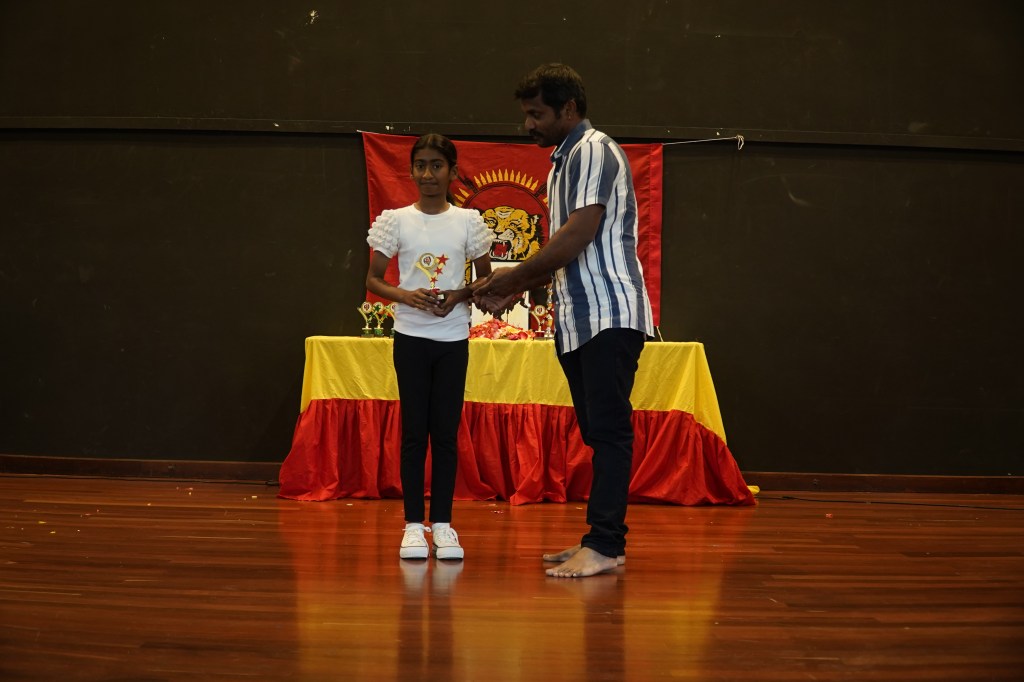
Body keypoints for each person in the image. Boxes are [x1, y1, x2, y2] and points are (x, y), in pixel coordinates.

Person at [474, 63, 654, 578]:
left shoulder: (593, 149)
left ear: (569, 108)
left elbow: (578, 235)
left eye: (537, 114)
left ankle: (604, 544)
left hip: (608, 314)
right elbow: (563, 249)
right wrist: (517, 285)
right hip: (578, 319)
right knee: (598, 433)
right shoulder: (561, 162)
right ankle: (604, 540)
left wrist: (509, 280)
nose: (527, 125)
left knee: (610, 432)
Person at [366, 133, 493, 561]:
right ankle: (412, 525)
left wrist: (459, 295)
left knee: (445, 433)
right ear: (411, 170)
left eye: (436, 165)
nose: (427, 173)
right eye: (420, 165)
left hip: (453, 339)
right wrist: (406, 296)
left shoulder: (468, 222)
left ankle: (442, 524)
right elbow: (374, 279)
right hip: (411, 339)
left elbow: (484, 279)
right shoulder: (397, 220)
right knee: (414, 432)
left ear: (452, 171)